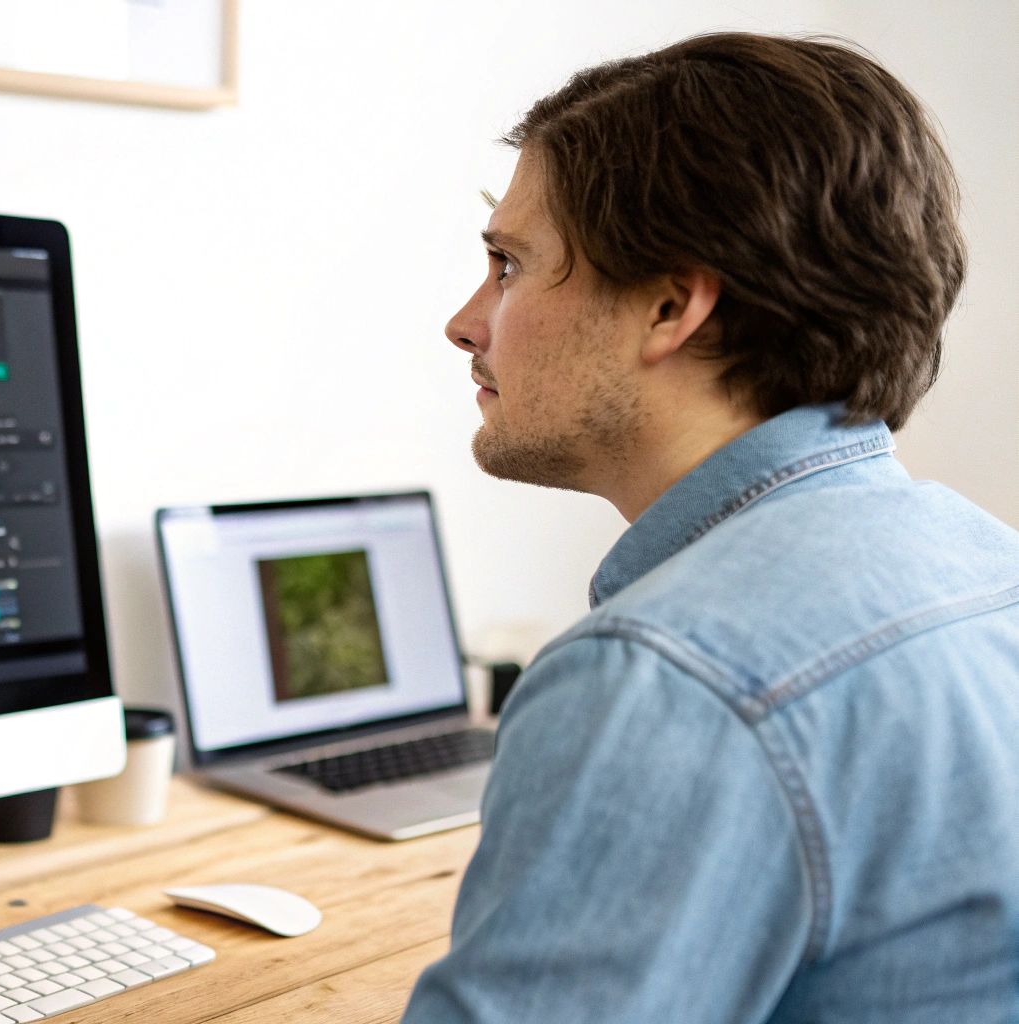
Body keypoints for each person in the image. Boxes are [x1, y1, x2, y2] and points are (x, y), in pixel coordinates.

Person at [403, 32, 1019, 1023]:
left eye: (507, 264)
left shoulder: (662, 679)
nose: (466, 322)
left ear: (669, 305)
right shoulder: (990, 566)